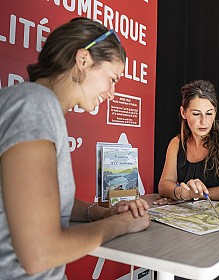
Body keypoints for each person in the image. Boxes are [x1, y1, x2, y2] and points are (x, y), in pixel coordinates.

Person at [0, 18, 150, 279]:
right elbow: (40, 253)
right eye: (112, 78)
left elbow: (39, 203)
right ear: (83, 61)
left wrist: (102, 213)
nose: (113, 93)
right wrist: (121, 224)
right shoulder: (35, 106)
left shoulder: (34, 104)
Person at [157, 80, 219, 280]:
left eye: (209, 113)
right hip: (184, 233)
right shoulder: (176, 143)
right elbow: (164, 185)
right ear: (183, 112)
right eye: (196, 114)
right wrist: (183, 192)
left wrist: (192, 196)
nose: (204, 121)